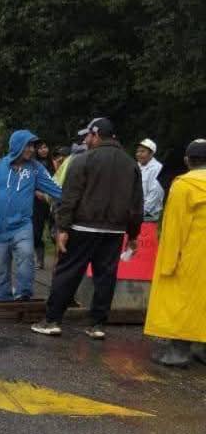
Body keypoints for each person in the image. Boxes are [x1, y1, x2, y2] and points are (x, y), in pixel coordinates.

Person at [32, 117, 144, 339]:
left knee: (68, 272)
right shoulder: (131, 164)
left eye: (89, 136)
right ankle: (98, 325)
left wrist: (63, 228)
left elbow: (69, 197)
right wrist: (133, 234)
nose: (86, 140)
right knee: (106, 277)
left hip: (83, 227)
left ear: (96, 135)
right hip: (114, 231)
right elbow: (136, 205)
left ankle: (52, 320)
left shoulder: (83, 160)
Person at [0, 129, 62, 301]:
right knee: (1, 269)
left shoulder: (36, 169)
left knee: (26, 256)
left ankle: (23, 294)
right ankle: (4, 299)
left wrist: (77, 198)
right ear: (16, 145)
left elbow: (56, 189)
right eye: (27, 145)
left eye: (32, 146)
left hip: (22, 225)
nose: (31, 149)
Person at [143, 139, 206, 367]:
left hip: (192, 255)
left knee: (183, 300)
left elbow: (174, 228)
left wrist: (168, 263)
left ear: (187, 161)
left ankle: (179, 351)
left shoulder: (184, 185)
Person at [31, 139, 52, 269]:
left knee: (54, 232)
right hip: (37, 202)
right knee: (36, 231)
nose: (44, 150)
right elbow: (28, 180)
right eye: (41, 148)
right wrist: (35, 191)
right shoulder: (33, 165)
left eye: (45, 147)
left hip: (50, 201)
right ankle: (39, 259)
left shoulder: (52, 163)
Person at [136, 138, 164, 221]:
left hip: (150, 216)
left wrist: (142, 211)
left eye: (142, 151)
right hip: (136, 214)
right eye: (138, 151)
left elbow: (155, 193)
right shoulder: (136, 166)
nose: (138, 154)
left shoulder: (157, 168)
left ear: (151, 153)